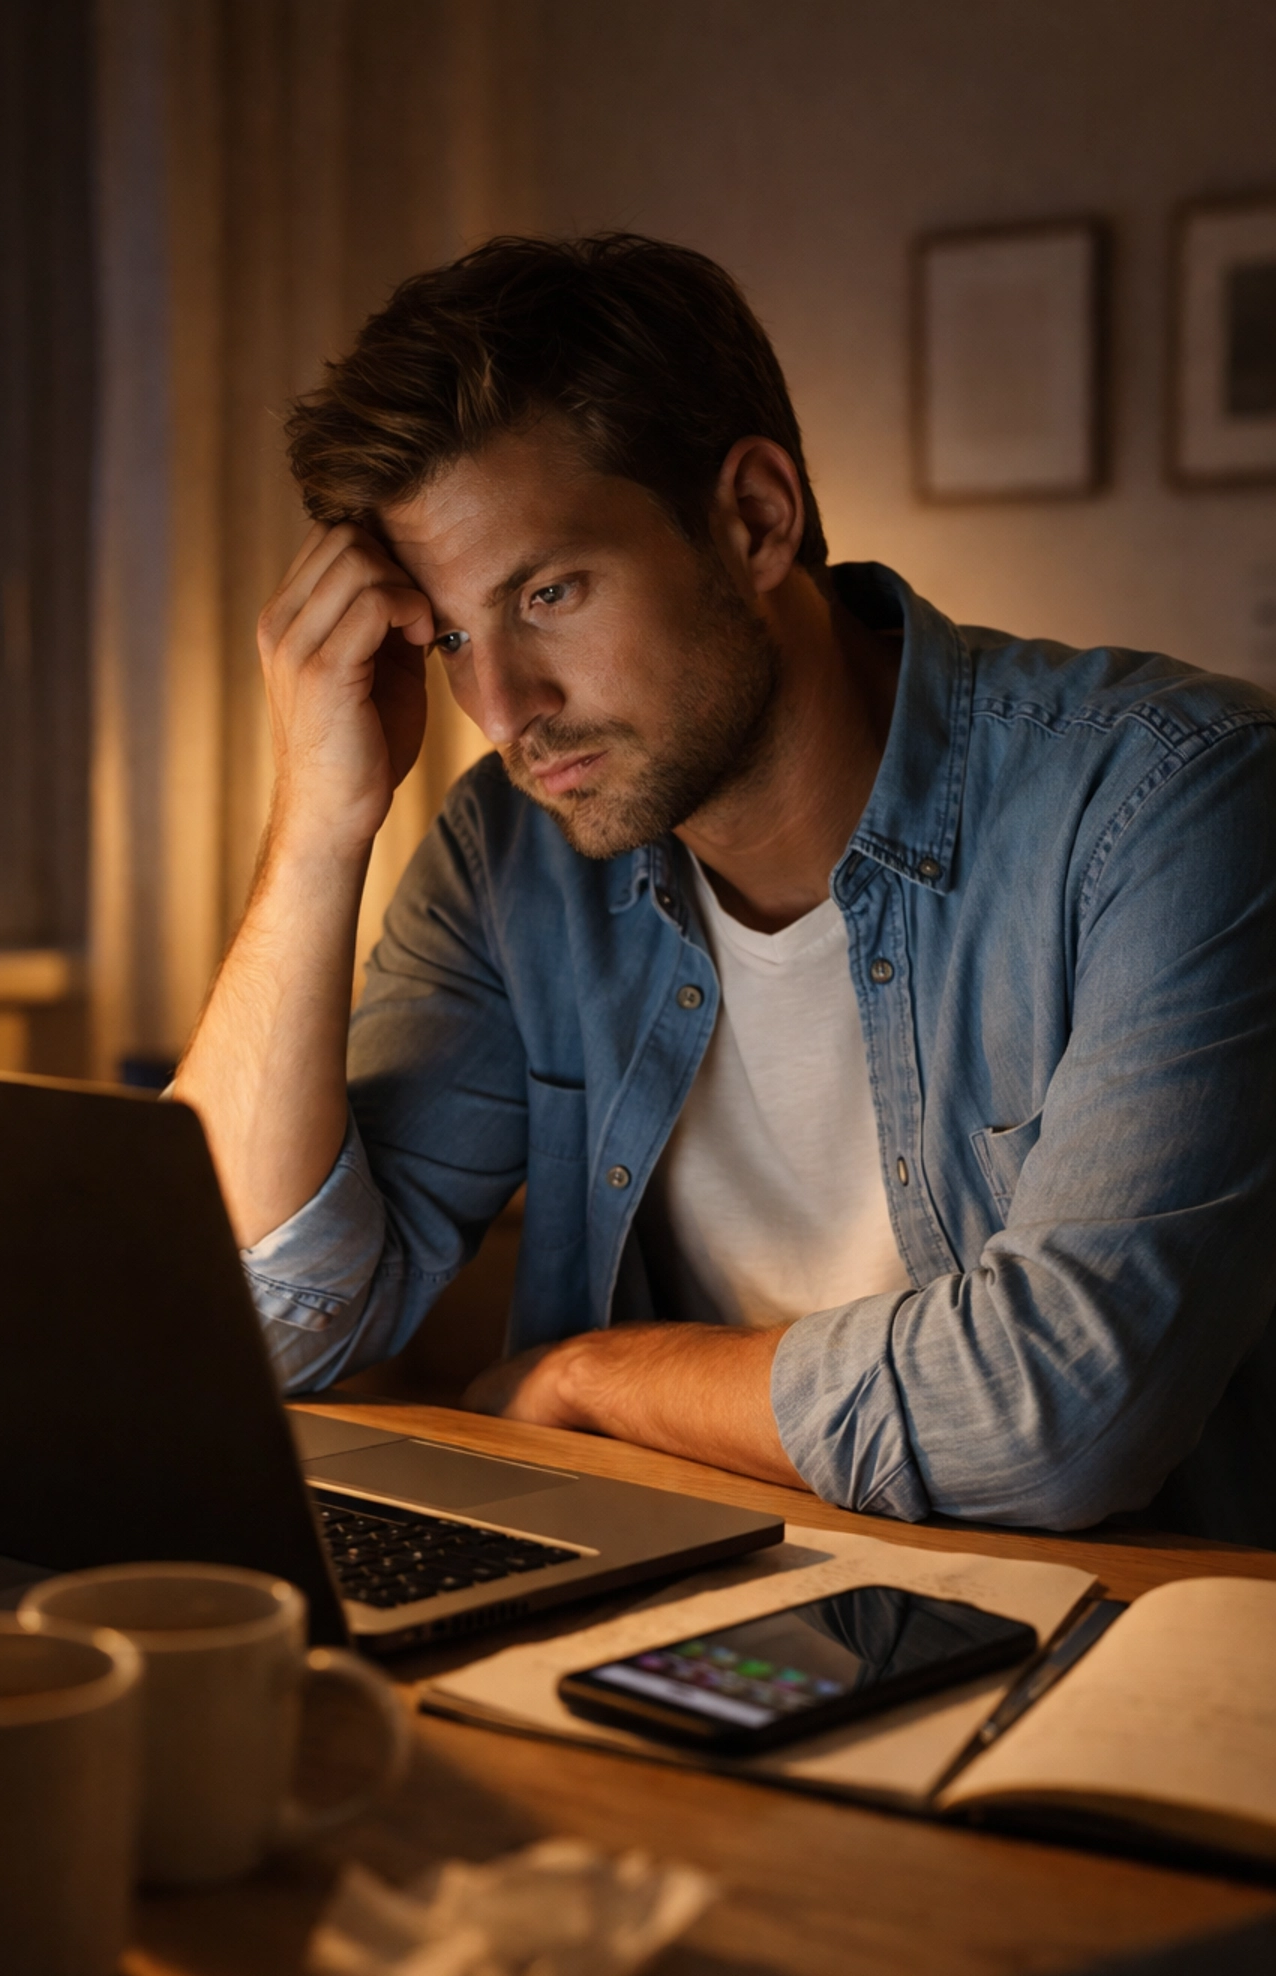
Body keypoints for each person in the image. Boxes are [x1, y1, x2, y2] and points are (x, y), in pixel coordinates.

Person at [175, 233, 1276, 1544]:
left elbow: (1058, 1419)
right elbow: (261, 1331)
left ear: (757, 518)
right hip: (663, 1600)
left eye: (552, 590)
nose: (502, 709)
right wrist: (317, 824)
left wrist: (593, 1376)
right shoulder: (507, 854)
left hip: (1102, 1655)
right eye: (458, 632)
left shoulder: (1173, 803)